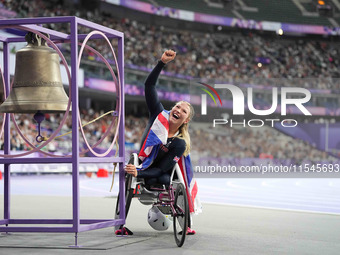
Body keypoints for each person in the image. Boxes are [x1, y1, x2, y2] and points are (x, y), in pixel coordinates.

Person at [120, 49, 197, 235]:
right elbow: (149, 86)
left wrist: (140, 171)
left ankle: (185, 224)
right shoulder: (158, 115)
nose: (178, 109)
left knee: (162, 178)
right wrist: (161, 63)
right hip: (144, 163)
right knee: (155, 177)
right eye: (177, 106)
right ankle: (120, 225)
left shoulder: (180, 143)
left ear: (185, 120)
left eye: (183, 110)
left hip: (160, 173)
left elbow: (164, 171)